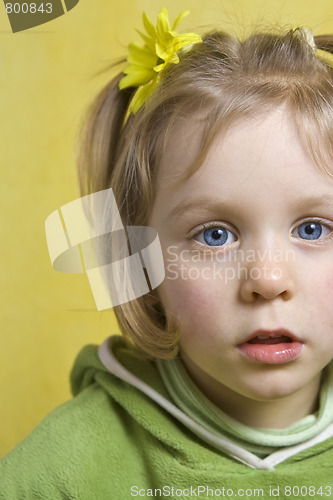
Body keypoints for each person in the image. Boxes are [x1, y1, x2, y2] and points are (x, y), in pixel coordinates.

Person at [2, 7, 333, 498]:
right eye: (215, 235)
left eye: (312, 228)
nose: (267, 280)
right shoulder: (63, 471)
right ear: (138, 259)